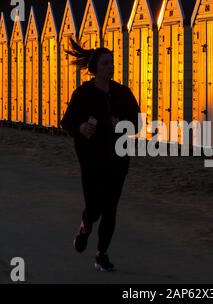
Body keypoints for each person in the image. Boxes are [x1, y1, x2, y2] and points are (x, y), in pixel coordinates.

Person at [60, 38, 140, 272]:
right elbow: (66, 122)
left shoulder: (123, 93)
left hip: (118, 160)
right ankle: (85, 227)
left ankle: (101, 255)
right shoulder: (84, 93)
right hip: (91, 160)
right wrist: (81, 128)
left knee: (111, 208)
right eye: (106, 63)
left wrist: (122, 124)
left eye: (112, 63)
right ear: (95, 68)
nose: (110, 67)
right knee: (94, 207)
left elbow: (137, 124)